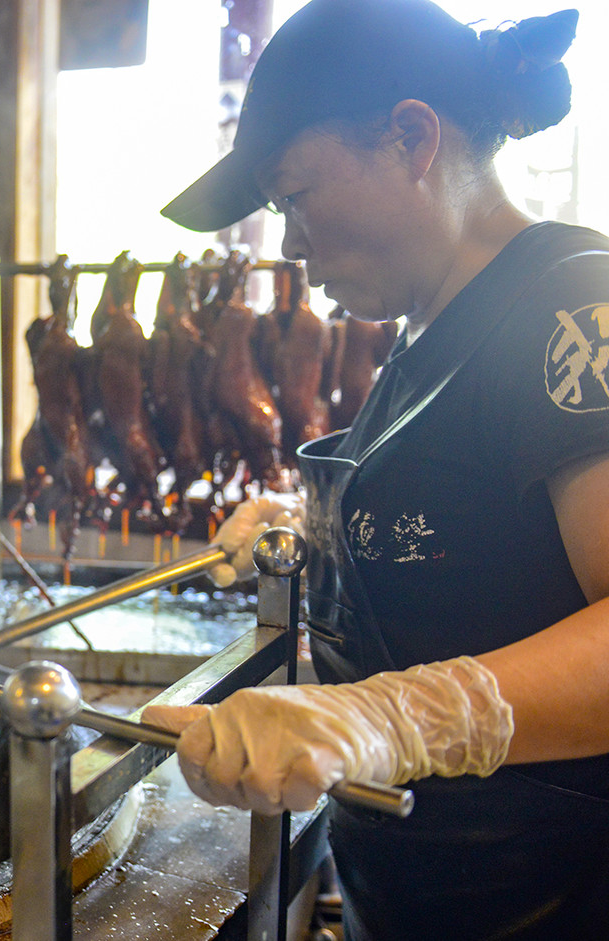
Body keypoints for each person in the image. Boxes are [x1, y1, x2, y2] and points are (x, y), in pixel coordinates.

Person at [139, 1, 609, 938]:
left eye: (294, 196)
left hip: (553, 902)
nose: (289, 242)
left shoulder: (573, 305)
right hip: (414, 898)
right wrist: (317, 527)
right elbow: (476, 545)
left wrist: (390, 718)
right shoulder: (426, 328)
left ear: (411, 138)